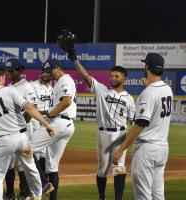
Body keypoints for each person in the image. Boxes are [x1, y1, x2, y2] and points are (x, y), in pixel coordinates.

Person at [57, 32, 135, 200]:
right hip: (103, 134)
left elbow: (134, 123)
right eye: (112, 75)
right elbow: (85, 75)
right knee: (102, 170)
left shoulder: (129, 99)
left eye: (117, 76)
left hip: (121, 134)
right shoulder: (101, 90)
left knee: (119, 169)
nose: (113, 78)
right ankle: (101, 197)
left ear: (124, 79)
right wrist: (74, 59)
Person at [0, 66, 54, 200]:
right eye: (4, 76)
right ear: (0, 77)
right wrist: (46, 124)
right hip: (22, 139)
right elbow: (29, 107)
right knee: (31, 168)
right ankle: (37, 195)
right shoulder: (11, 90)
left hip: (3, 141)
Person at [113, 53, 173, 200]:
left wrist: (121, 150)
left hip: (147, 150)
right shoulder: (167, 89)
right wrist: (149, 87)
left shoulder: (149, 93)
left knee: (143, 196)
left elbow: (140, 124)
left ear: (147, 67)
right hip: (162, 149)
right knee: (158, 195)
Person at [4, 58, 53, 199]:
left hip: (23, 128)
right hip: (13, 129)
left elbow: (32, 109)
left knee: (24, 159)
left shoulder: (26, 87)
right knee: (17, 162)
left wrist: (18, 125)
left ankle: (36, 187)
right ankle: (18, 192)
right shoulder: (9, 86)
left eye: (11, 70)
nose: (8, 73)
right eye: (7, 70)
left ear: (19, 70)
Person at [30, 59, 77, 200]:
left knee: (26, 149)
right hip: (67, 125)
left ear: (57, 67)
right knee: (52, 167)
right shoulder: (61, 82)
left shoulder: (64, 80)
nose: (49, 74)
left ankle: (44, 184)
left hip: (60, 123)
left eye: (50, 71)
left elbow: (67, 101)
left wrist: (50, 114)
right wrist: (45, 113)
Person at [31, 64, 53, 178]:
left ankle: (42, 179)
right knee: (35, 151)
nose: (46, 74)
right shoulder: (33, 86)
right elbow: (31, 107)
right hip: (34, 121)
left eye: (49, 72)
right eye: (44, 71)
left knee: (44, 152)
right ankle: (33, 180)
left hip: (47, 122)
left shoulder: (52, 89)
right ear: (41, 72)